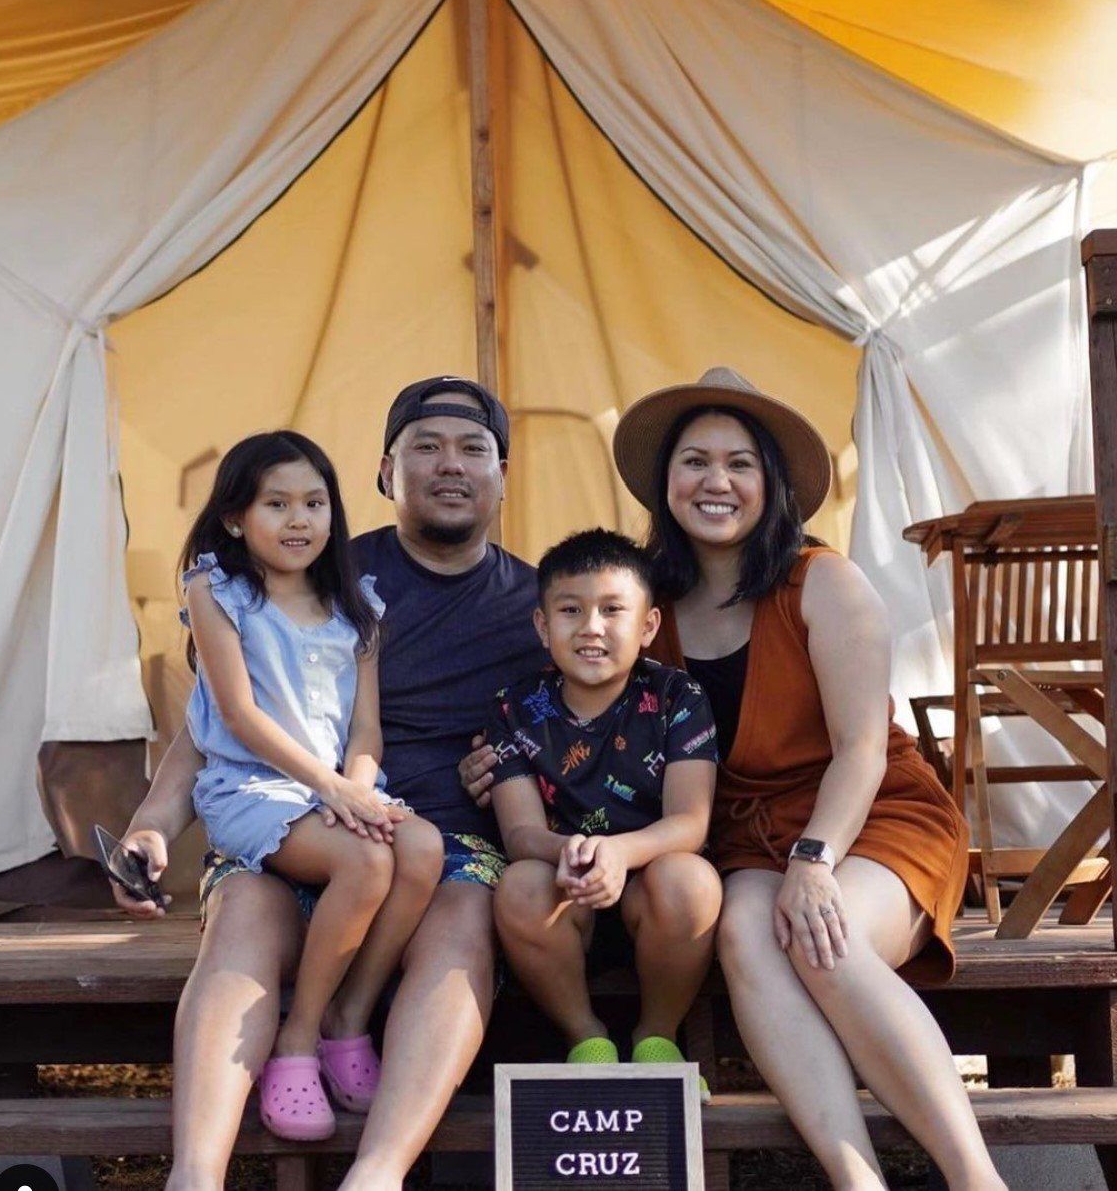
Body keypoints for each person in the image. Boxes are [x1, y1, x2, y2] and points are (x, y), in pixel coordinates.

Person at [462, 367, 1001, 1191]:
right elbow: (576, 699)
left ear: (771, 483)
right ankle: (855, 1177)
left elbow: (859, 749)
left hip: (863, 818)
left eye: (739, 463)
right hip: (742, 833)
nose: (716, 481)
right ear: (665, 481)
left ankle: (973, 1179)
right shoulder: (645, 601)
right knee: (749, 934)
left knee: (824, 939)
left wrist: (816, 861)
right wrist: (501, 758)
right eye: (694, 461)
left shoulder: (822, 581)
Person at [113, 379, 542, 1191]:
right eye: (425, 447)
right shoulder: (318, 570)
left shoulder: (535, 605)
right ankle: (194, 1175)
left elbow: (587, 721)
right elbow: (218, 724)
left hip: (439, 847)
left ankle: (374, 1175)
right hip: (290, 829)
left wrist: (518, 769)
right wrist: (154, 825)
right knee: (243, 915)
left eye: (471, 449)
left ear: (502, 472)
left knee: (462, 923)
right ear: (385, 471)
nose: (449, 466)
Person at [176, 430, 442, 1140]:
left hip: (335, 787)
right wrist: (333, 790)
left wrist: (357, 787)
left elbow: (365, 730)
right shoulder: (217, 591)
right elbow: (239, 713)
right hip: (257, 788)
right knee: (365, 860)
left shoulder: (356, 604)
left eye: (315, 503)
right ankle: (295, 1040)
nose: (300, 520)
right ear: (235, 517)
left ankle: (346, 1018)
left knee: (420, 851)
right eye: (277, 504)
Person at [489, 529, 721, 1084]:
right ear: (543, 626)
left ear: (648, 626)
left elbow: (690, 821)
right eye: (570, 610)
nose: (591, 627)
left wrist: (619, 853)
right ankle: (586, 1036)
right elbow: (520, 832)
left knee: (691, 881)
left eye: (612, 610)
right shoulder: (515, 707)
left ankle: (656, 1035)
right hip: (565, 896)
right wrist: (572, 854)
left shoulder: (676, 698)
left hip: (653, 893)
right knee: (519, 883)